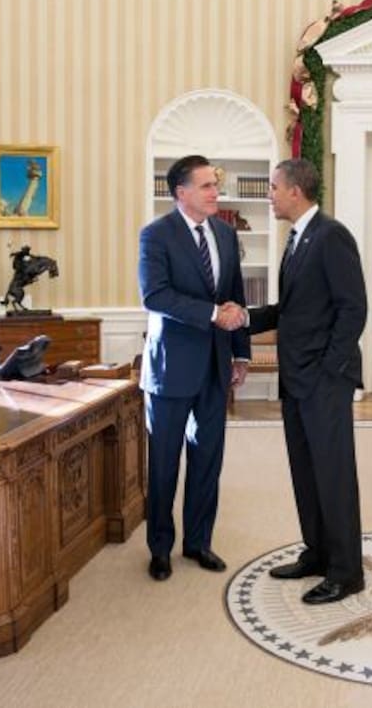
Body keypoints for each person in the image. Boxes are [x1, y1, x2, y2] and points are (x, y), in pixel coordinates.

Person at [237, 157, 368, 605]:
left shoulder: (332, 236)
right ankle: (317, 553)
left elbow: (354, 308)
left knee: (333, 475)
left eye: (273, 187)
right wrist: (240, 320)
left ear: (295, 190)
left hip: (323, 381)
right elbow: (290, 312)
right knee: (306, 472)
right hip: (297, 379)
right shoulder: (298, 239)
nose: (269, 195)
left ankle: (347, 572)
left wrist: (329, 370)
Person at [138, 155, 250, 582]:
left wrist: (240, 353)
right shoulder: (156, 235)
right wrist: (209, 314)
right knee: (164, 463)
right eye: (205, 186)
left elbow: (234, 297)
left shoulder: (224, 232)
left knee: (208, 460)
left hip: (215, 367)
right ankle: (160, 548)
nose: (213, 192)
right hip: (170, 369)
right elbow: (155, 296)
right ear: (180, 192)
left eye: (214, 185)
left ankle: (199, 542)